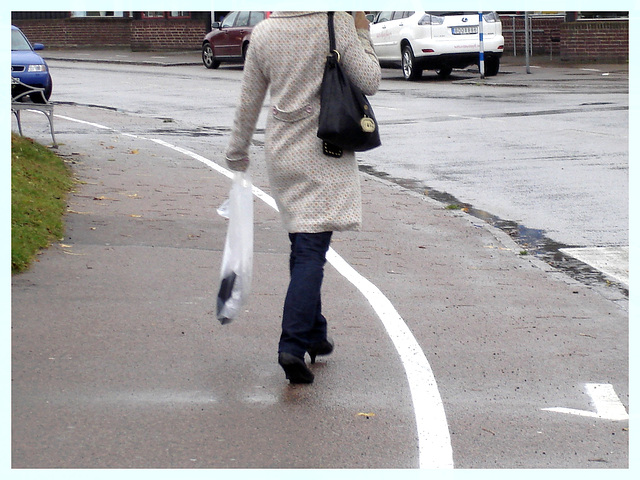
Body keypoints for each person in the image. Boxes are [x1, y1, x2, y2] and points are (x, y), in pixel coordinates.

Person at [224, 11, 381, 384]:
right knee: (311, 250)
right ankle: (292, 344)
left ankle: (315, 334)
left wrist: (237, 152)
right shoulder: (336, 21)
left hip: (281, 152)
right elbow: (369, 80)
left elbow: (249, 102)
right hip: (323, 149)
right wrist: (362, 32)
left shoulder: (263, 33)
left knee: (304, 243)